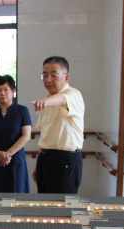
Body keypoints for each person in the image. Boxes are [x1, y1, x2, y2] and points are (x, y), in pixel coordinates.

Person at [31, 56, 85, 194]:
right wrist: (39, 164)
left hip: (65, 159)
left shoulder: (74, 94)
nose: (48, 80)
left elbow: (63, 100)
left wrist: (46, 102)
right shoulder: (47, 98)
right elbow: (45, 134)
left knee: (62, 204)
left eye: (54, 75)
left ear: (66, 77)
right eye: (45, 75)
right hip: (45, 158)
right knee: (45, 203)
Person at [0, 75, 33, 199]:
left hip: (16, 159)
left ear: (13, 91)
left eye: (6, 89)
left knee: (16, 194)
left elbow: (26, 136)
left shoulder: (22, 110)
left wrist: (8, 154)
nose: (2, 93)